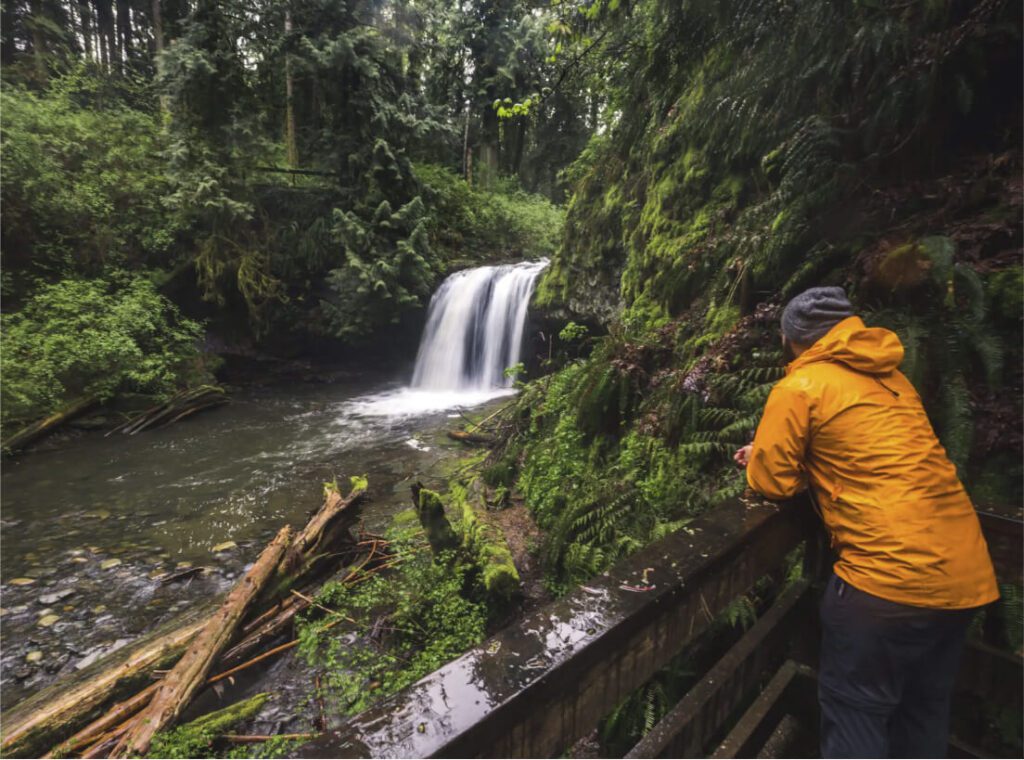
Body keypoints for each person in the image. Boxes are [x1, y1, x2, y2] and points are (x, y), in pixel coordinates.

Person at [733, 286, 999, 759]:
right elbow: (873, 454)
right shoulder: (893, 379)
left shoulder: (801, 386)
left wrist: (762, 458)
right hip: (965, 575)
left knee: (856, 714)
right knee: (923, 713)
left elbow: (772, 482)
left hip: (886, 585)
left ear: (793, 338)